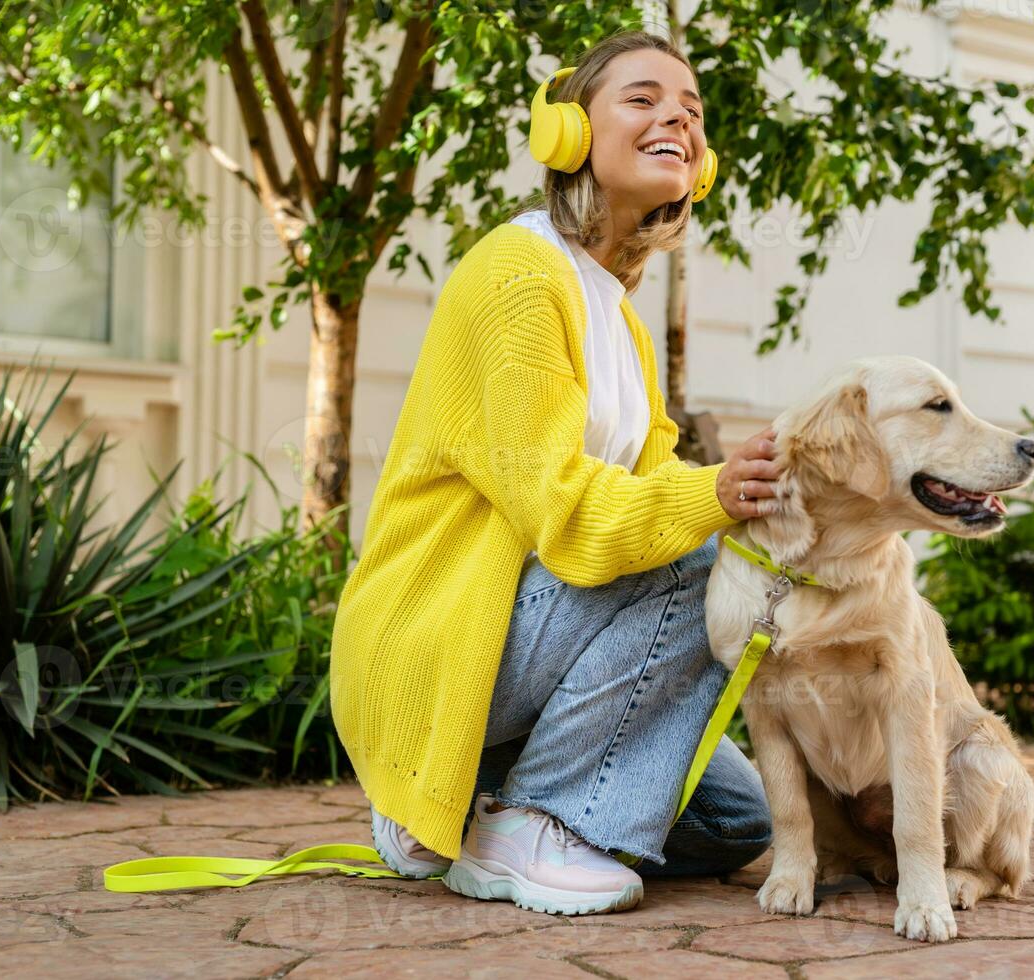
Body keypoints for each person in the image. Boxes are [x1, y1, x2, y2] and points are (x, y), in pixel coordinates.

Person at [330, 30, 782, 917]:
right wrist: (713, 495)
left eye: (691, 112)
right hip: (437, 640)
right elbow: (564, 515)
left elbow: (658, 485)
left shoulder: (621, 317)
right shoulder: (517, 272)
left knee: (738, 823)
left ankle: (470, 806)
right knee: (700, 567)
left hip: (532, 645)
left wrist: (775, 493)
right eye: (643, 99)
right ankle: (531, 823)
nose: (677, 121)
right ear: (568, 133)